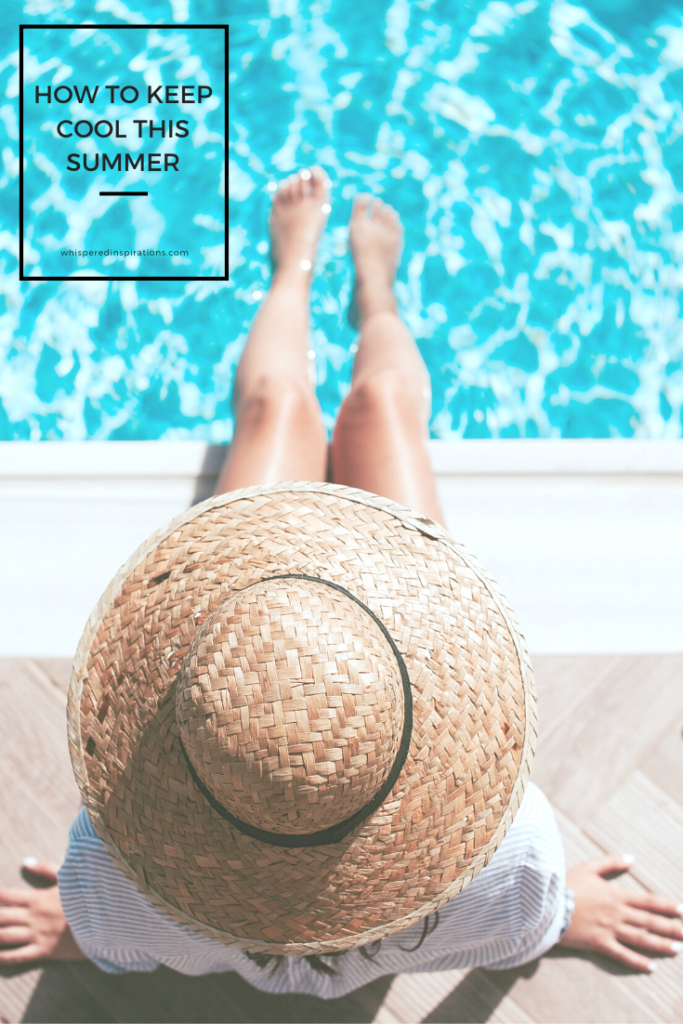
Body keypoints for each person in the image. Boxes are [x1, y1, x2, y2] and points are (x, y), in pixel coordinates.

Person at [1, 168, 681, 991]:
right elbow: (523, 927)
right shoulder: (511, 854)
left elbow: (117, 934)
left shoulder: (111, 876)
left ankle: (294, 270)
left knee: (278, 414)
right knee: (383, 406)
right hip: (369, 641)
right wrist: (560, 917)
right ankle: (375, 297)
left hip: (265, 626)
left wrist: (83, 927)